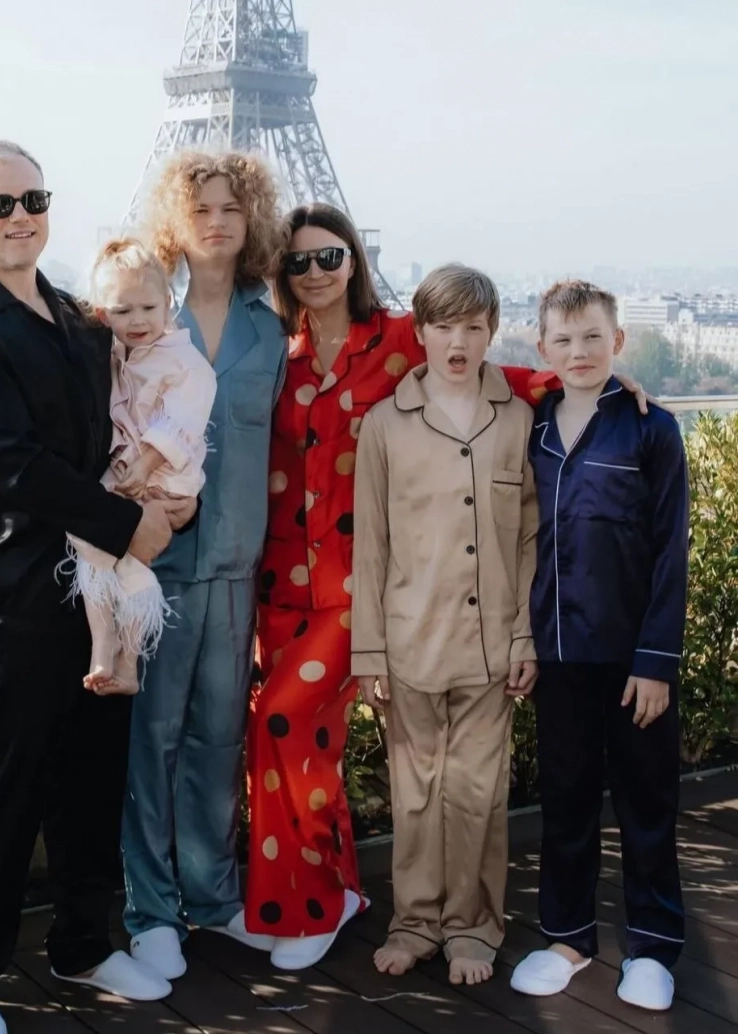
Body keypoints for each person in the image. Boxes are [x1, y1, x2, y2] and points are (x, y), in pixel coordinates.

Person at [244, 203, 571, 972]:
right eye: (298, 261)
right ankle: (344, 899)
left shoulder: (397, 339)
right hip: (292, 587)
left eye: (330, 256)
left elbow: (496, 377)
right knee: (319, 748)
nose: (315, 272)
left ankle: (341, 908)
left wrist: (592, 380)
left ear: (354, 261)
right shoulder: (277, 354)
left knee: (288, 724)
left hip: (368, 595)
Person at [0, 141, 191, 1034]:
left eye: (33, 198)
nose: (21, 215)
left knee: (92, 779)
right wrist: (132, 524)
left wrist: (165, 498)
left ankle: (82, 945)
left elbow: (132, 417)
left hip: (102, 584)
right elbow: (15, 465)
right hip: (21, 592)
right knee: (6, 790)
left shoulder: (76, 316)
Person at [121, 151, 287, 981]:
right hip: (157, 562)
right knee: (151, 740)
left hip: (235, 566)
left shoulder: (273, 326)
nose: (217, 222)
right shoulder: (148, 312)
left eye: (231, 208)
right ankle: (150, 911)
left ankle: (214, 898)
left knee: (219, 738)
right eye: (201, 209)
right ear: (176, 221)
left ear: (251, 217)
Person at [351, 264, 538, 986]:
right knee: (416, 793)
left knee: (479, 795)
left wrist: (524, 634)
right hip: (409, 645)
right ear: (420, 331)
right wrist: (369, 651)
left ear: (492, 333)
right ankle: (415, 923)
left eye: (473, 327)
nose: (458, 342)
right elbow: (371, 547)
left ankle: (472, 928)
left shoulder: (517, 420)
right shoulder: (384, 425)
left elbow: (530, 539)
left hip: (492, 648)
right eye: (444, 326)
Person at [509, 280, 688, 1012]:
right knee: (567, 799)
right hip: (558, 653)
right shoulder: (531, 426)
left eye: (592, 337)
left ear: (618, 341)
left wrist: (656, 661)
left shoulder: (652, 429)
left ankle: (652, 946)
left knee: (648, 801)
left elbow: (670, 551)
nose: (579, 351)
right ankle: (567, 939)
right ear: (542, 348)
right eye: (563, 339)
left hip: (632, 656)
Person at [63, 237, 216, 695]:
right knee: (94, 543)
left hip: (164, 476)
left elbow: (183, 420)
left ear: (168, 303)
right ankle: (110, 649)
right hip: (128, 473)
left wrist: (147, 462)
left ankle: (122, 655)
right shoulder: (115, 355)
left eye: (148, 308)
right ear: (103, 314)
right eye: (123, 311)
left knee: (108, 544)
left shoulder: (185, 362)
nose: (137, 321)